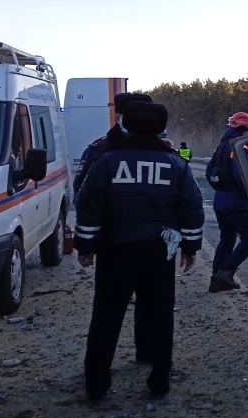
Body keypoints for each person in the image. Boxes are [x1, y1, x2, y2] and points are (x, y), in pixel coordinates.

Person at [74, 102, 204, 402]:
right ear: (161, 129)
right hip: (159, 253)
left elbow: (89, 206)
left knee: (106, 317)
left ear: (127, 125)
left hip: (115, 252)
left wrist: (85, 246)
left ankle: (96, 385)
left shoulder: (106, 162)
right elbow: (191, 208)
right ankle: (159, 382)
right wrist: (190, 248)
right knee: (160, 316)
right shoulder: (176, 164)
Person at [72, 91, 158, 364]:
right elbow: (82, 197)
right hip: (114, 245)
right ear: (120, 116)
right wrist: (88, 244)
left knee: (151, 308)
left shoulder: (162, 150)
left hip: (154, 245)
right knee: (108, 312)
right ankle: (97, 376)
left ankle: (146, 356)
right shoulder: (101, 150)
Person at [206, 112, 248, 292]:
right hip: (236, 203)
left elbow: (209, 173)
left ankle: (216, 280)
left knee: (227, 238)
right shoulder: (240, 148)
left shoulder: (221, 147)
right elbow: (240, 176)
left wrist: (221, 191)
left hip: (220, 200)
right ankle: (226, 272)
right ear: (245, 129)